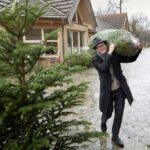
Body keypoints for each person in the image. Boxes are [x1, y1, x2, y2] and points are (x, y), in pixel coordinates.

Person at [91, 37, 143, 148]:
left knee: (119, 114)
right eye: (98, 46)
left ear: (106, 44)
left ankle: (115, 136)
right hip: (107, 93)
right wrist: (109, 52)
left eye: (102, 45)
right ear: (96, 49)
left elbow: (130, 59)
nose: (101, 47)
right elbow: (104, 68)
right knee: (108, 113)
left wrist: (138, 50)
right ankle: (103, 119)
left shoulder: (114, 55)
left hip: (120, 90)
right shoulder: (95, 60)